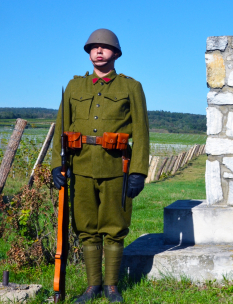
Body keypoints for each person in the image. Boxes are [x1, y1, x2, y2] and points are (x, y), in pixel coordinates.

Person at [51, 28, 149, 303]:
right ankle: (93, 286)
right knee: (86, 227)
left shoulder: (130, 87)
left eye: (104, 47)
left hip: (117, 168)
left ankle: (112, 287)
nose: (98, 50)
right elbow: (62, 126)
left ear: (115, 53)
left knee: (114, 227)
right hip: (81, 167)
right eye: (93, 47)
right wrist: (57, 165)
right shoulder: (74, 87)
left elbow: (141, 131)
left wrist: (139, 171)